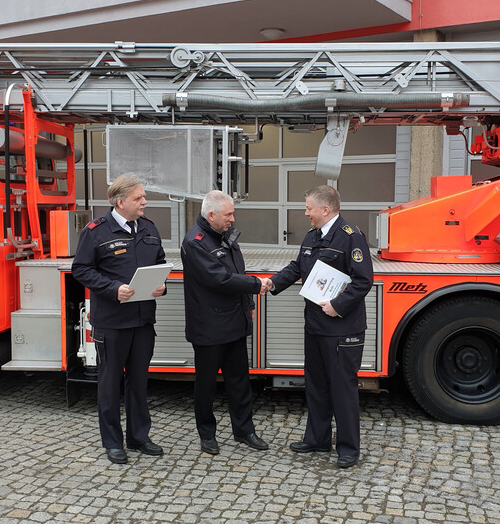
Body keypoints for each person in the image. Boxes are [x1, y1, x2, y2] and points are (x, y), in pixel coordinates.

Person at [264, 185, 373, 469]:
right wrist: (273, 283)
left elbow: (363, 281)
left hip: (341, 327)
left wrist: (338, 305)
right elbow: (298, 268)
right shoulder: (313, 237)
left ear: (326, 209)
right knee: (316, 386)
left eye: (309, 208)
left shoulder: (351, 237)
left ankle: (348, 448)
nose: (306, 213)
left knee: (342, 388)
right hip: (315, 326)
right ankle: (317, 438)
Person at [71, 173, 167, 465]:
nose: (144, 202)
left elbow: (160, 263)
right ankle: (113, 442)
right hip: (112, 322)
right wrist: (113, 289)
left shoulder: (149, 228)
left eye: (143, 197)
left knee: (138, 382)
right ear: (120, 201)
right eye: (138, 198)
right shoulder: (96, 231)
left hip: (142, 321)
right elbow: (81, 270)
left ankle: (139, 437)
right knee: (110, 383)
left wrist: (162, 286)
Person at [181, 190, 270, 456]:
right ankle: (207, 435)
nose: (233, 218)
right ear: (211, 215)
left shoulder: (224, 236)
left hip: (233, 321)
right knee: (206, 385)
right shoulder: (195, 242)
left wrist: (249, 304)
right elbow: (218, 279)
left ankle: (244, 431)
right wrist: (257, 285)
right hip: (208, 326)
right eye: (228, 214)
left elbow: (237, 271)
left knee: (240, 381)